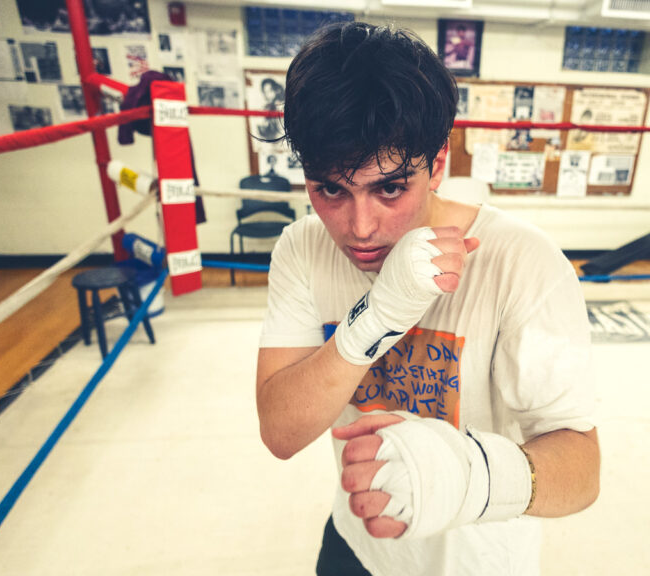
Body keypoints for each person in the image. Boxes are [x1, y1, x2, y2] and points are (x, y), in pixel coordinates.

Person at [256, 22, 599, 576]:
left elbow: (583, 471)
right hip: (355, 543)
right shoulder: (302, 247)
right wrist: (374, 320)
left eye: (389, 188)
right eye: (330, 189)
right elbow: (281, 431)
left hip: (480, 563)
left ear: (437, 163)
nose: (359, 227)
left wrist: (469, 475)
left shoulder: (523, 263)